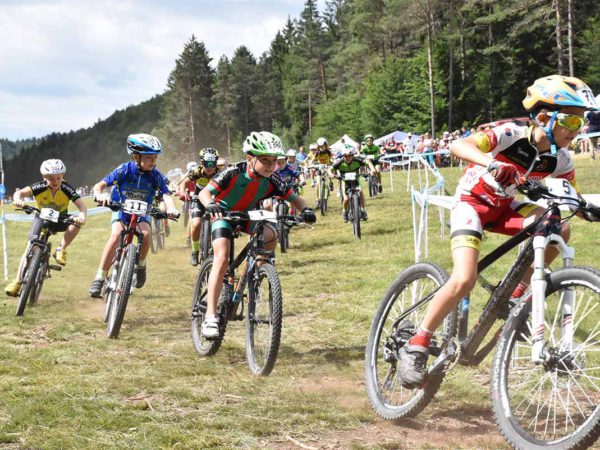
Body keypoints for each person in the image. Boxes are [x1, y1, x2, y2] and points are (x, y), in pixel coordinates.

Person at [396, 75, 600, 388]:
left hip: (506, 208)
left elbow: (572, 195)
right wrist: (491, 164)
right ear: (543, 117)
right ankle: (417, 342)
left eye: (581, 121)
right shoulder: (510, 133)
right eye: (571, 120)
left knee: (558, 225)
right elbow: (457, 145)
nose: (577, 129)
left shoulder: (560, 159)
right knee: (464, 278)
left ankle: (515, 295)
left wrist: (588, 209)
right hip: (472, 204)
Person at [198, 131, 316, 338]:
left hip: (248, 215)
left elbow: (294, 198)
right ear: (249, 158)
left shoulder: (273, 179)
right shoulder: (233, 172)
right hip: (223, 214)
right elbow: (204, 193)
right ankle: (210, 316)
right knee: (222, 258)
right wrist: (211, 205)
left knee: (271, 233)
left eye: (274, 161)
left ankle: (257, 272)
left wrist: (305, 210)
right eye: (265, 160)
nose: (271, 166)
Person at [88, 133, 179, 297]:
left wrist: (171, 208)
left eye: (155, 157)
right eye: (149, 157)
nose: (153, 161)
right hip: (121, 209)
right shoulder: (124, 169)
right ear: (136, 157)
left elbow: (166, 194)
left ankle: (141, 265)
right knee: (116, 235)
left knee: (146, 234)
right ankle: (99, 277)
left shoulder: (156, 175)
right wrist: (100, 195)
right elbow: (100, 185)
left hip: (142, 212)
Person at [5, 159, 87, 297]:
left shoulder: (67, 188)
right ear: (44, 178)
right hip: (41, 217)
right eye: (51, 179)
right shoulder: (39, 186)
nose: (55, 181)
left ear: (63, 176)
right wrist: (18, 200)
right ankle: (17, 282)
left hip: (60, 219)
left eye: (59, 178)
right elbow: (20, 193)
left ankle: (61, 248)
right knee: (30, 247)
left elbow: (82, 206)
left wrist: (82, 215)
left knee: (77, 223)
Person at [177, 147, 221, 266]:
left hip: (215, 199)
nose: (210, 167)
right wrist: (182, 192)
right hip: (198, 199)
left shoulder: (220, 172)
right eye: (207, 164)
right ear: (202, 163)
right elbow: (184, 183)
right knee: (196, 224)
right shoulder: (197, 171)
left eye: (213, 164)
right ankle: (195, 250)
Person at [330, 147, 375, 222]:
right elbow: (330, 169)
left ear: (353, 155)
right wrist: (331, 174)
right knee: (346, 199)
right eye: (345, 156)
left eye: (350, 156)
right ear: (343, 156)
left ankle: (362, 210)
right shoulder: (340, 162)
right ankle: (344, 212)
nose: (348, 158)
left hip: (355, 180)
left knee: (360, 192)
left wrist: (372, 169)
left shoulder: (357, 160)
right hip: (345, 181)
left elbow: (368, 162)